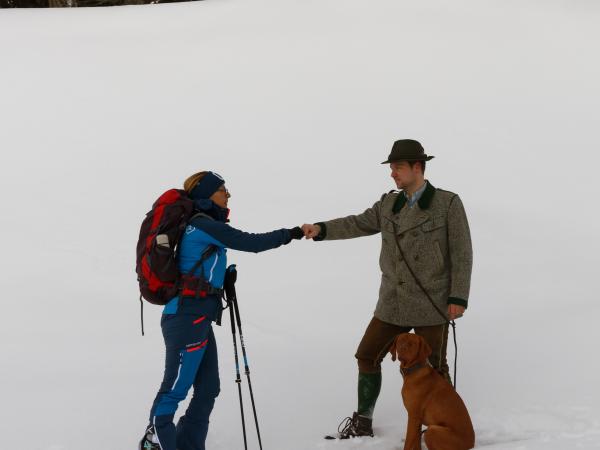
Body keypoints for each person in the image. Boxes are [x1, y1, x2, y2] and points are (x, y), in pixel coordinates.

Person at [302, 139, 473, 439]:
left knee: (434, 366)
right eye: (392, 167)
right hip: (392, 301)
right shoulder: (388, 204)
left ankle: (442, 428)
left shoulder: (447, 204)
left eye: (398, 167)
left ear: (417, 167)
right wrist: (321, 229)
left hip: (430, 301)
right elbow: (357, 223)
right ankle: (363, 421)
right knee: (367, 355)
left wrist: (458, 297)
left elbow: (462, 253)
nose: (392, 173)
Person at [139, 171, 304, 450]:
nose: (228, 195)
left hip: (198, 316)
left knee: (208, 388)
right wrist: (292, 233)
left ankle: (188, 444)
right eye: (222, 189)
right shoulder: (202, 224)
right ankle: (154, 440)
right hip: (186, 317)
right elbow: (251, 242)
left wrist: (219, 280)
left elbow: (198, 266)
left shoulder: (202, 226)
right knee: (175, 389)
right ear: (206, 194)